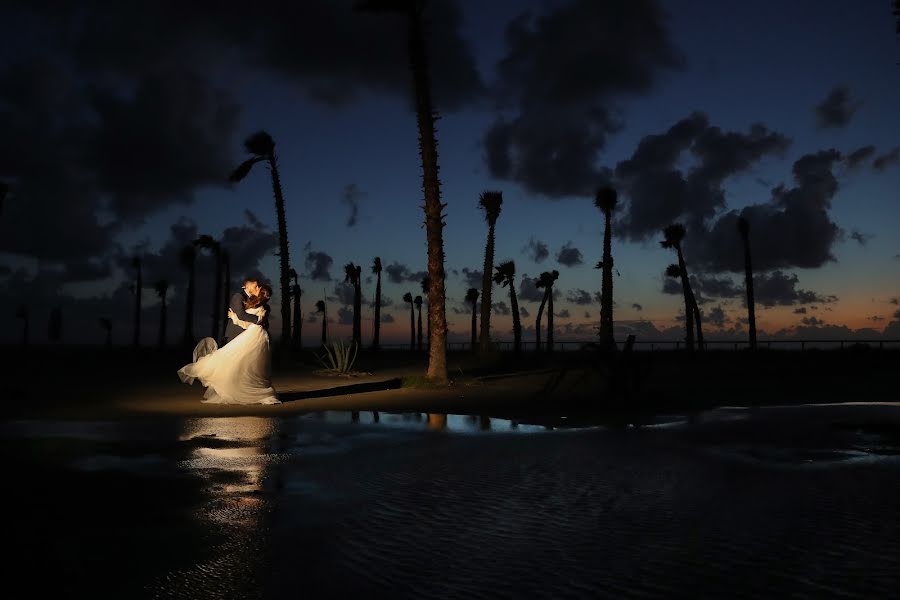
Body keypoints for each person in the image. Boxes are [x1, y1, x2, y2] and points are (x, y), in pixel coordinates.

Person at [177, 283, 280, 404]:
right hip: (254, 335)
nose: (256, 288)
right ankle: (249, 390)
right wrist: (236, 318)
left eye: (258, 288)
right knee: (246, 364)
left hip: (256, 336)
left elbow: (250, 323)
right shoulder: (257, 304)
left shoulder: (263, 309)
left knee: (249, 364)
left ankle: (253, 392)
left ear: (261, 294)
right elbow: (247, 324)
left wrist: (236, 317)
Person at [224, 278, 259, 345]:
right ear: (247, 286)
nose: (257, 288)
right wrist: (258, 319)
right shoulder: (238, 296)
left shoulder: (251, 299)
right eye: (255, 286)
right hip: (235, 333)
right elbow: (241, 315)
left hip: (243, 334)